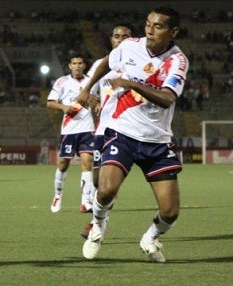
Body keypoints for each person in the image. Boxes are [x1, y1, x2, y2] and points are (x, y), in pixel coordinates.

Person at [78, 6, 189, 263]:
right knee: (105, 190)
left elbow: (167, 98)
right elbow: (107, 61)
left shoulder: (177, 61)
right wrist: (86, 88)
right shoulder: (130, 46)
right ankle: (98, 226)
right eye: (148, 23)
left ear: (173, 32)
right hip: (123, 130)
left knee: (170, 212)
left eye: (158, 26)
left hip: (157, 140)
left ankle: (150, 238)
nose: (149, 29)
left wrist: (131, 83)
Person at [80, 23, 134, 238]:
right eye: (116, 36)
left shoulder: (138, 63)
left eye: (125, 36)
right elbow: (86, 95)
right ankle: (100, 219)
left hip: (127, 130)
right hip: (103, 129)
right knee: (96, 180)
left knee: (109, 181)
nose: (120, 39)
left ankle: (97, 225)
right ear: (111, 39)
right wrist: (90, 99)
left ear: (132, 39)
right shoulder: (101, 65)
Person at [47, 53, 95, 213]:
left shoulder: (91, 81)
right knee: (63, 163)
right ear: (69, 66)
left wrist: (98, 102)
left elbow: (97, 98)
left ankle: (86, 201)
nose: (77, 66)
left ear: (84, 65)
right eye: (74, 63)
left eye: (80, 63)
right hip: (69, 130)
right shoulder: (62, 82)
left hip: (87, 129)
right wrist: (63, 107)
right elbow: (49, 102)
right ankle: (57, 195)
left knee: (88, 162)